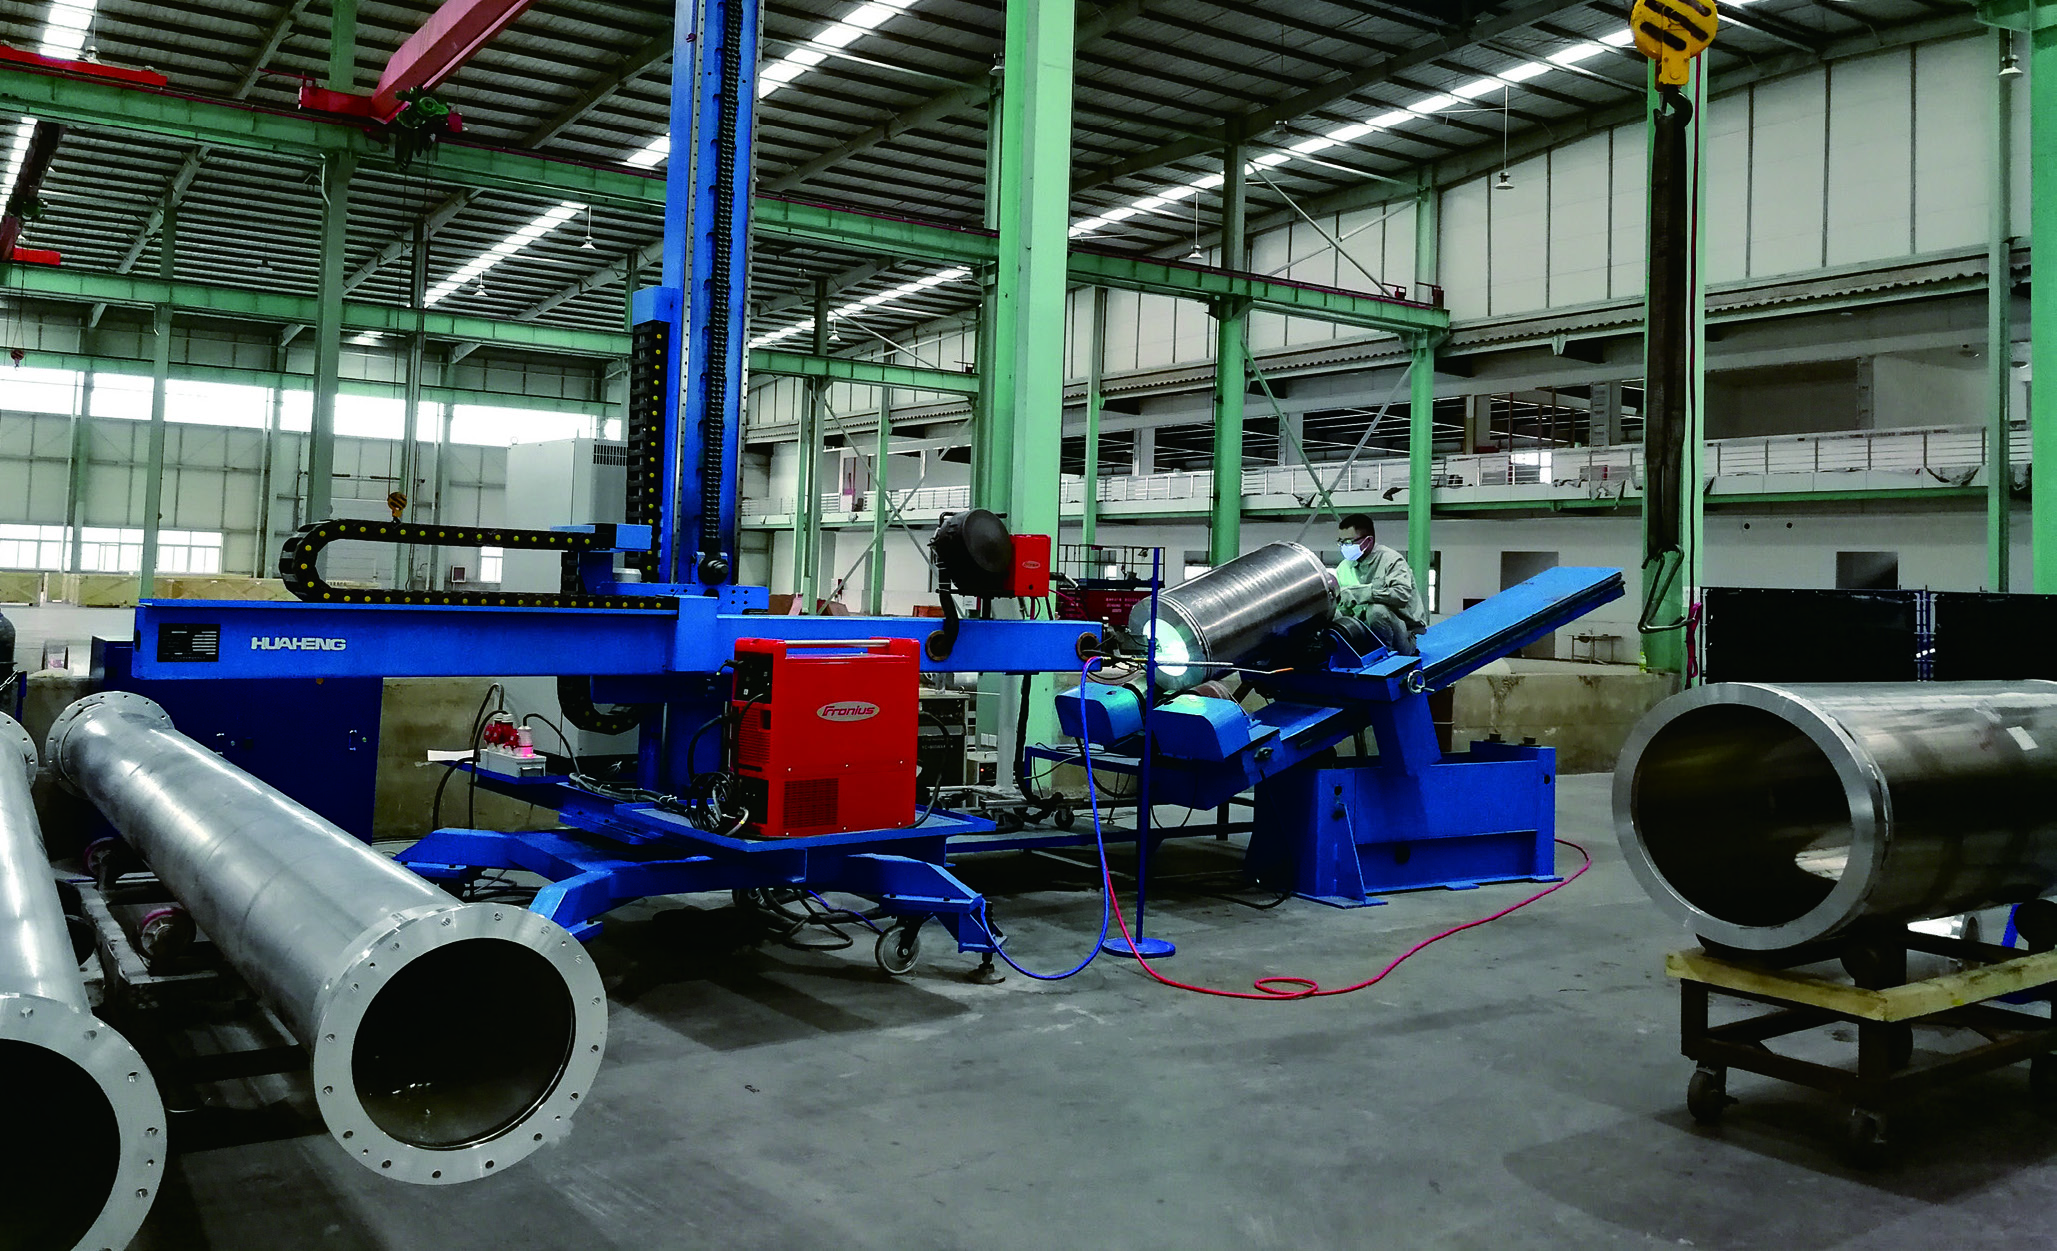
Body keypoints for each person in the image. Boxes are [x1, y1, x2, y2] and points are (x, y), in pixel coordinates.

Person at [1334, 513, 1426, 656]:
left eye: (1349, 542)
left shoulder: (1391, 560)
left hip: (1401, 636)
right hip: (1364, 633)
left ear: (1368, 540)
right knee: (1333, 615)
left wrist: (1360, 594)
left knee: (1377, 611)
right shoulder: (1343, 567)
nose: (1345, 547)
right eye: (1341, 542)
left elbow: (1401, 596)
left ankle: (1385, 657)